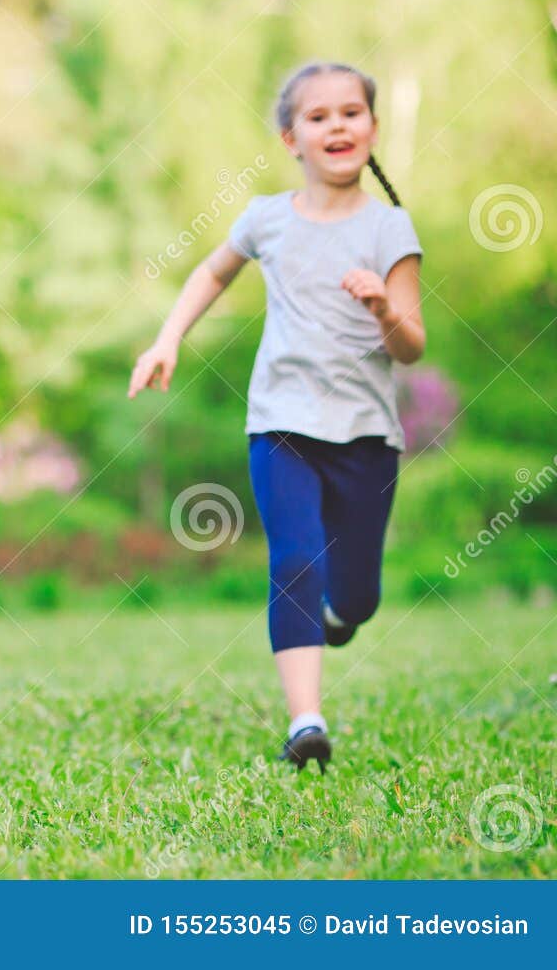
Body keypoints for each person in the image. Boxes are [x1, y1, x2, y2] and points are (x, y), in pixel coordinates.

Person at [129, 61, 425, 772]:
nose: (338, 126)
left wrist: (384, 307)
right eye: (319, 116)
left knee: (356, 595)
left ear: (373, 128)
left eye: (351, 112)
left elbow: (413, 345)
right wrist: (169, 336)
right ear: (292, 137)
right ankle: (305, 721)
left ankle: (340, 617)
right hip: (282, 424)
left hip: (366, 436)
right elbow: (212, 272)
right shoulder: (266, 218)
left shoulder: (390, 228)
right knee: (295, 561)